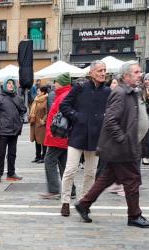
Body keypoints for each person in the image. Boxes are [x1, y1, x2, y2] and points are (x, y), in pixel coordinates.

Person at [74, 62, 149, 229]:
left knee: (106, 178)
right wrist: (123, 139)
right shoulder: (120, 93)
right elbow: (110, 120)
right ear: (126, 76)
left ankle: (84, 204)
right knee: (132, 180)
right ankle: (134, 215)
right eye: (136, 72)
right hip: (122, 147)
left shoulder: (132, 92)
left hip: (125, 146)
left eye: (140, 71)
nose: (140, 74)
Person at [59, 60, 111, 217]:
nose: (103, 73)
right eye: (99, 71)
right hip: (78, 135)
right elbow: (64, 105)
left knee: (90, 173)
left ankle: (83, 203)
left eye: (104, 70)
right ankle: (65, 201)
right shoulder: (80, 88)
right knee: (70, 170)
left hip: (96, 138)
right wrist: (77, 116)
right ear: (91, 73)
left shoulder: (108, 92)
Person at [39, 74, 73, 200]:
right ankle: (71, 190)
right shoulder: (64, 94)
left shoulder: (63, 96)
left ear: (62, 83)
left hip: (57, 136)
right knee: (64, 164)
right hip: (61, 136)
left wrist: (51, 133)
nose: (54, 84)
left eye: (56, 82)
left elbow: (59, 118)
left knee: (49, 161)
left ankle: (54, 190)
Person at [0, 78, 27, 183]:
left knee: (12, 153)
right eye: (9, 83)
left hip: (14, 131)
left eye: (12, 83)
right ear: (5, 85)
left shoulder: (18, 98)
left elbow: (23, 109)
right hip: (2, 131)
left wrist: (20, 119)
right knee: (1, 154)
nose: (11, 85)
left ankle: (11, 173)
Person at [29, 86, 48, 163]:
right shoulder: (36, 100)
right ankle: (37, 156)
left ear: (43, 92)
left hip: (41, 124)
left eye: (38, 91)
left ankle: (44, 157)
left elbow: (47, 112)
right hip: (34, 123)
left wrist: (43, 120)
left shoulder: (46, 100)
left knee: (43, 141)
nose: (37, 92)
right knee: (36, 140)